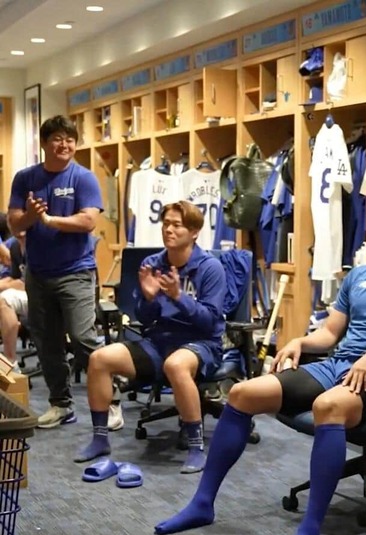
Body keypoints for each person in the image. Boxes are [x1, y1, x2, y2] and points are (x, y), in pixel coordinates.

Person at [154, 191, 366, 535]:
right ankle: (202, 504)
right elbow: (329, 335)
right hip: (339, 364)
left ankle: (310, 532)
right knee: (243, 393)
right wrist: (299, 341)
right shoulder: (359, 275)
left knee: (327, 406)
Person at [75, 200, 227, 474]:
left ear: (194, 232)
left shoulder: (210, 268)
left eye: (177, 225)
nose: (169, 230)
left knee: (176, 365)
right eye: (166, 224)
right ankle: (100, 440)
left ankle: (196, 448)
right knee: (99, 359)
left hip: (200, 344)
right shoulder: (152, 264)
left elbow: (209, 323)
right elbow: (144, 319)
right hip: (158, 342)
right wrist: (148, 298)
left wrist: (179, 297)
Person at [8, 115, 103, 428]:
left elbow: (88, 221)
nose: (64, 145)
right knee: (47, 343)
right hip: (38, 274)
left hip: (76, 272)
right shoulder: (26, 178)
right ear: (44, 143)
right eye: (58, 139)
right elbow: (15, 224)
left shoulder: (84, 178)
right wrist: (32, 217)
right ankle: (61, 404)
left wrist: (50, 221)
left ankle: (111, 397)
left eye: (70, 139)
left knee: (83, 338)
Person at [0, 231, 28, 370]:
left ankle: (10, 363)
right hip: (27, 293)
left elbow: (25, 284)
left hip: (45, 293)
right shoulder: (15, 246)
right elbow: (15, 277)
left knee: (5, 299)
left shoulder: (40, 246)